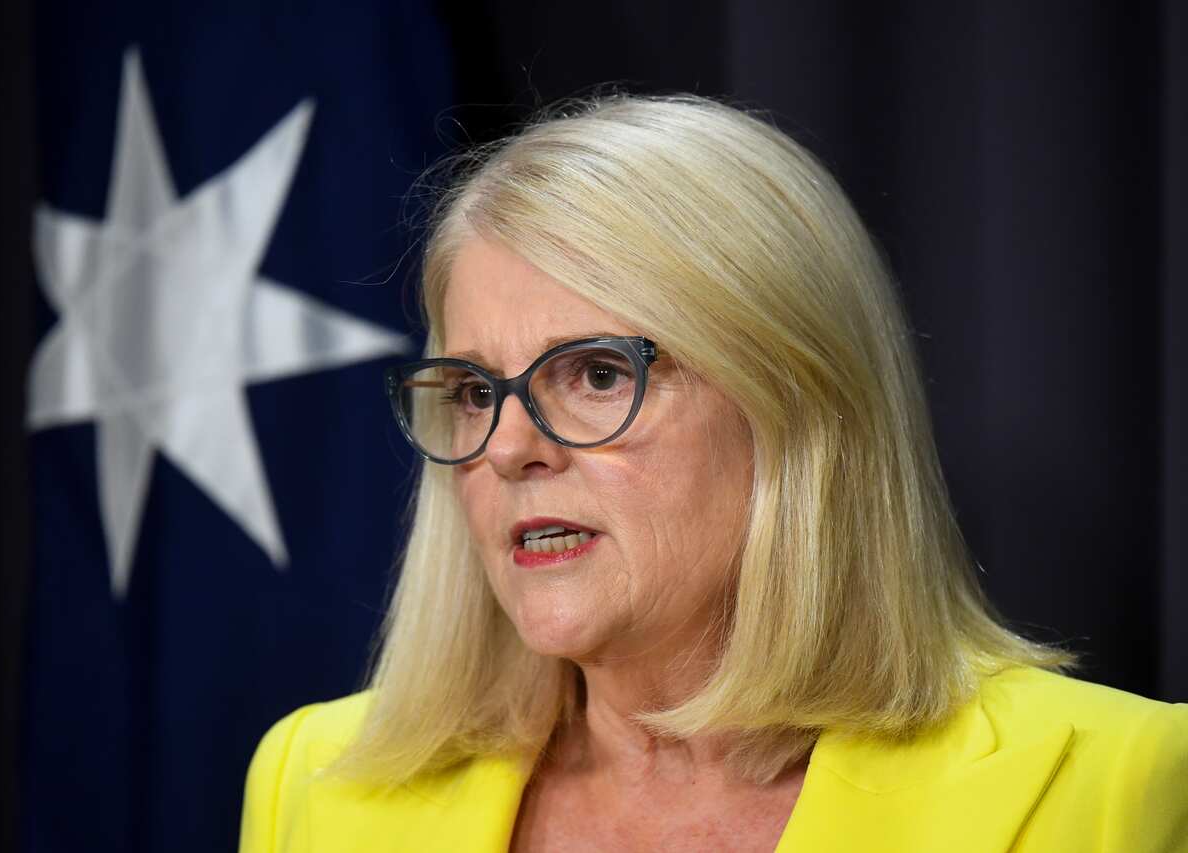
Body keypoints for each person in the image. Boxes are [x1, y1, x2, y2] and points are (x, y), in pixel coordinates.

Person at [238, 95, 1188, 852]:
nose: (507, 446)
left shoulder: (1114, 784)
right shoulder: (316, 786)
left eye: (597, 373)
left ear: (793, 402)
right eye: (476, 392)